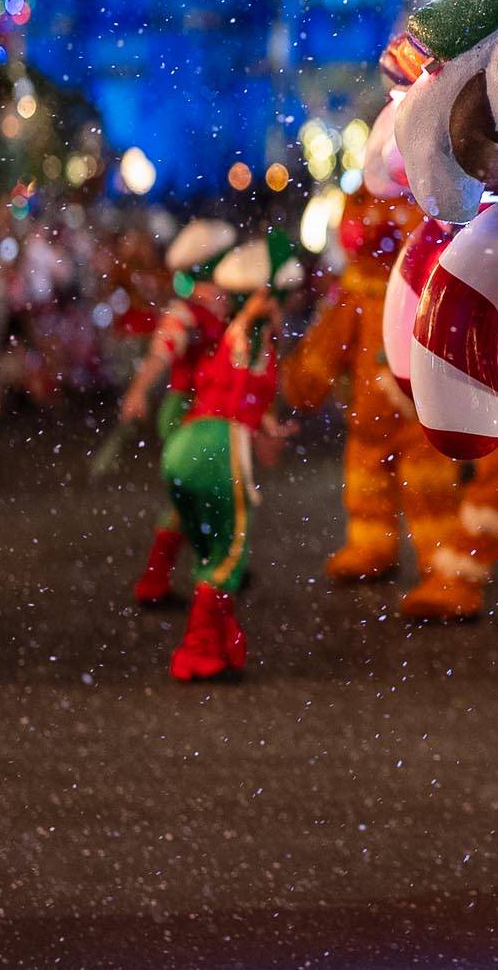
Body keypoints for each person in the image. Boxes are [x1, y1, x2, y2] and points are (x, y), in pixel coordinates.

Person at [159, 239, 302, 682]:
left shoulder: (237, 335)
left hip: (184, 444)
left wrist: (268, 427)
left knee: (208, 554)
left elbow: (237, 390)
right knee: (227, 556)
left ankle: (218, 648)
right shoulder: (252, 331)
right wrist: (262, 298)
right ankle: (197, 653)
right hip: (220, 446)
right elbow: (240, 396)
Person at [116, 219, 238, 605]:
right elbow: (160, 354)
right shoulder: (186, 313)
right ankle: (176, 577)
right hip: (188, 411)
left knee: (202, 495)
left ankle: (212, 567)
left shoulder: (216, 310)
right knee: (189, 497)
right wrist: (137, 392)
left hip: (207, 411)